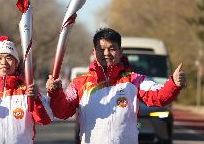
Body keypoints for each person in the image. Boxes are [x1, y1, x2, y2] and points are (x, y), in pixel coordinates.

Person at [46, 28, 186, 144]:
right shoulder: (80, 84)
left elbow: (159, 96)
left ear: (120, 52)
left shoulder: (133, 80)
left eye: (112, 49)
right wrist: (55, 92)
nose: (106, 53)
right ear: (94, 52)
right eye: (101, 49)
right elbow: (62, 112)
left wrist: (173, 83)